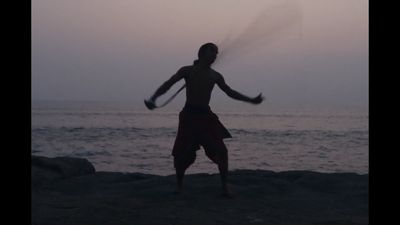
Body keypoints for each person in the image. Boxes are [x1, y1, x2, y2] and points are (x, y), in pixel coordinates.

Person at [146, 43, 264, 197]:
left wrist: (250, 100)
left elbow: (230, 92)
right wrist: (153, 98)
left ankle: (224, 188)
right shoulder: (187, 70)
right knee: (181, 153)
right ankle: (179, 187)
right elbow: (168, 84)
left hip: (206, 117)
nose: (215, 55)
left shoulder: (215, 76)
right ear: (201, 53)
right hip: (188, 116)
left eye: (216, 53)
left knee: (221, 151)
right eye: (212, 51)